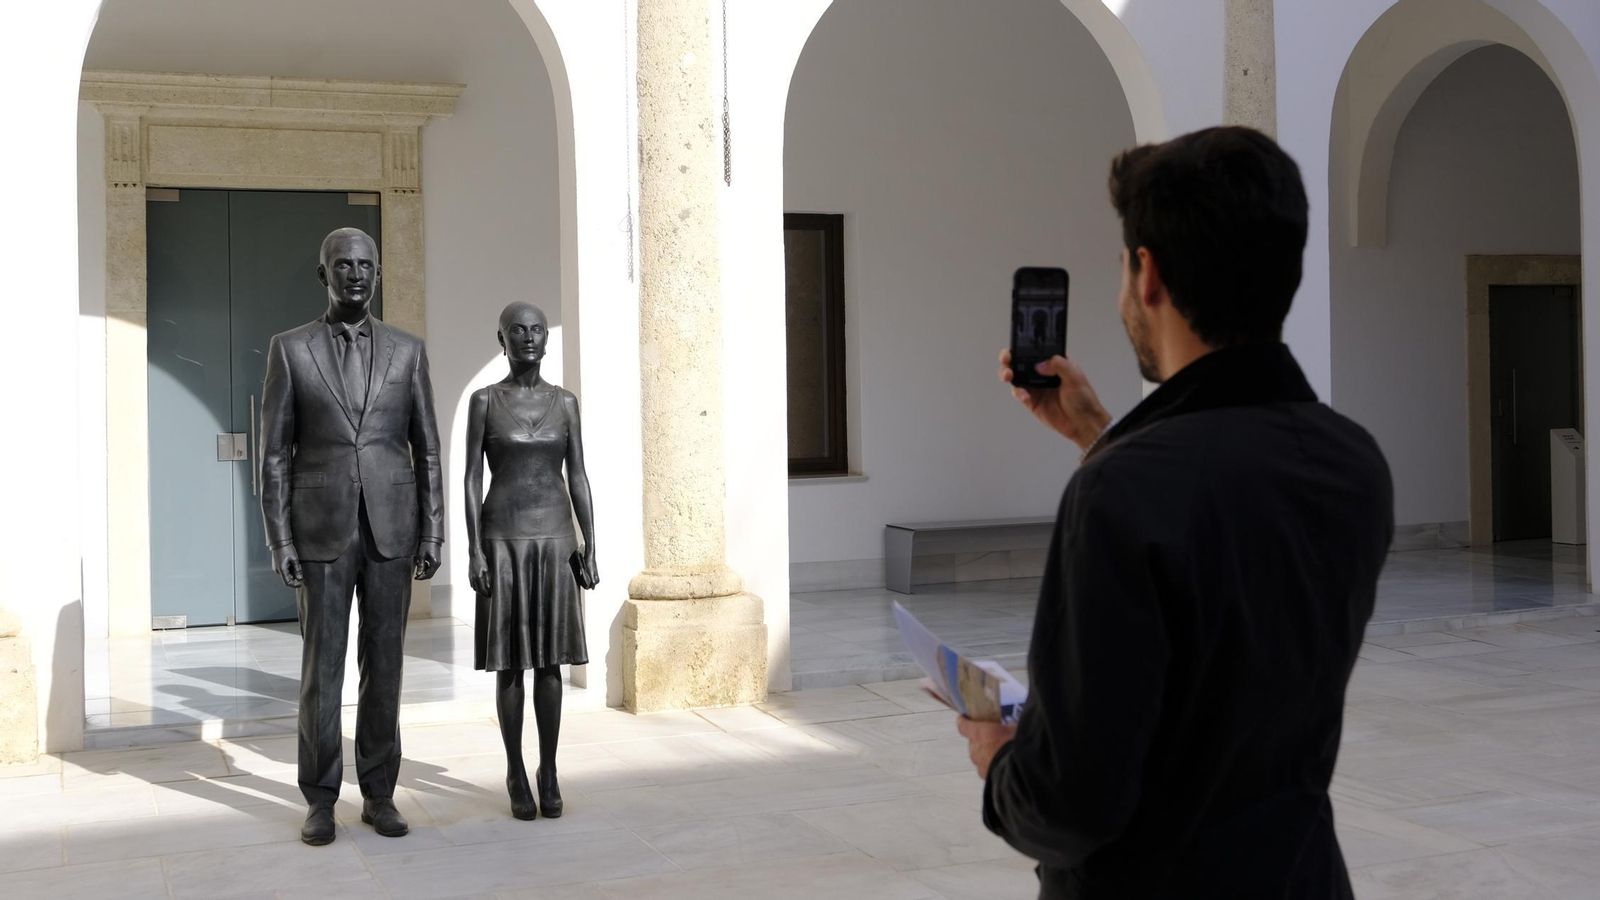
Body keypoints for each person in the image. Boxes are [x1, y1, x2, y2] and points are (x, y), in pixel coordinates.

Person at [957, 127, 1394, 898]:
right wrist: (1099, 433)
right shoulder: (1353, 462)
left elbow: (1072, 801)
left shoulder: (1121, 495)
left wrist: (1000, 763)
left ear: (1147, 273)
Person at [259, 227, 444, 846]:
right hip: (320, 532)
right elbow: (275, 454)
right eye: (344, 265)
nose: (356, 274)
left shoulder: (408, 351)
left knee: (385, 665)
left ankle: (381, 793)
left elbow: (428, 448)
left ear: (379, 273)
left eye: (366, 265)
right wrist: (280, 539)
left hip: (393, 528)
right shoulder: (290, 350)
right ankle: (319, 798)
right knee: (322, 669)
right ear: (325, 275)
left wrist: (434, 531)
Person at [463, 302, 598, 821]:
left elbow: (579, 474)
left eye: (536, 330)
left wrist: (591, 541)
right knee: (510, 663)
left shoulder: (566, 403)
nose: (527, 338)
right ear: (501, 339)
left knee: (551, 661)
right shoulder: (484, 401)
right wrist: (474, 548)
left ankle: (549, 767)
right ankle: (515, 769)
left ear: (546, 338)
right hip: (504, 539)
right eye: (516, 330)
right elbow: (473, 477)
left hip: (555, 539)